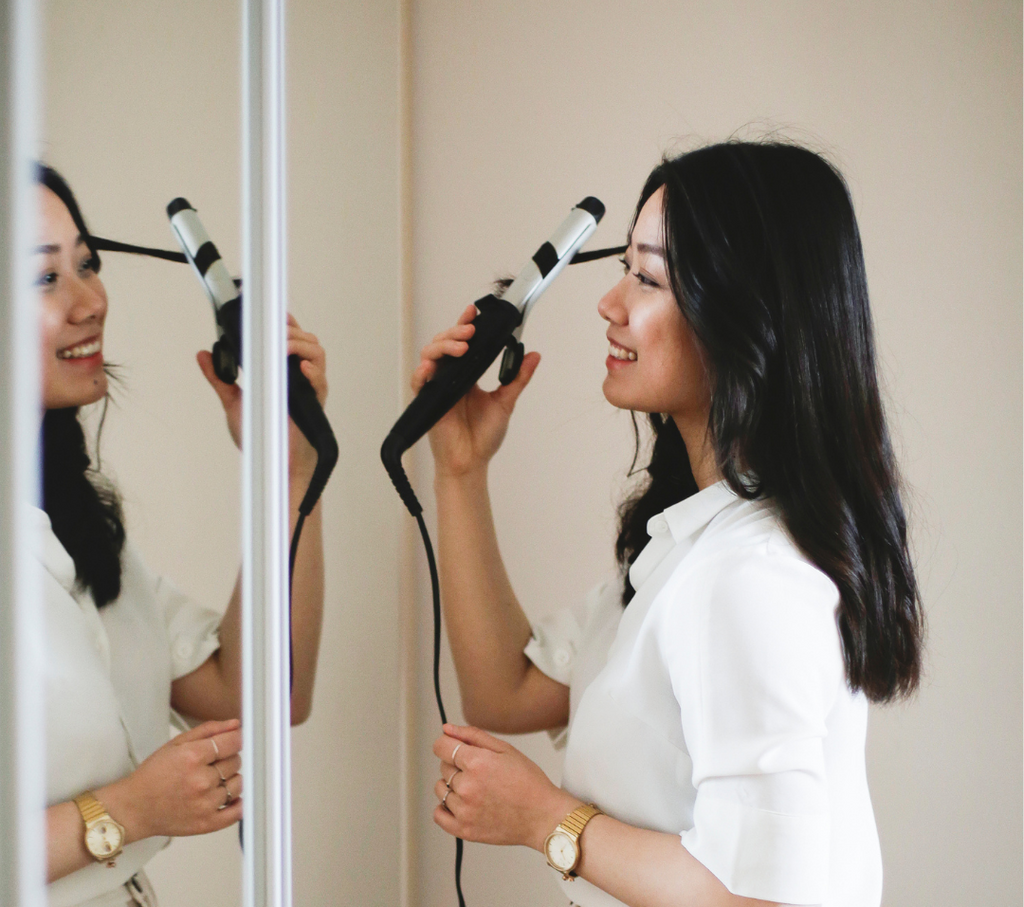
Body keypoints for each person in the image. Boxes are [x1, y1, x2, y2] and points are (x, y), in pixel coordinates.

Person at [416, 141, 924, 907]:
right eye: (622, 268)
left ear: (743, 316)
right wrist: (460, 470)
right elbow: (506, 690)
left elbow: (764, 899)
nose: (609, 303)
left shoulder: (752, 576)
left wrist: (544, 819)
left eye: (647, 277)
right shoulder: (690, 548)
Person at [34, 165, 327, 907]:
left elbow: (262, 692)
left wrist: (291, 474)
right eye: (44, 278)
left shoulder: (78, 531)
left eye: (88, 265)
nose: (90, 301)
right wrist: (130, 810)